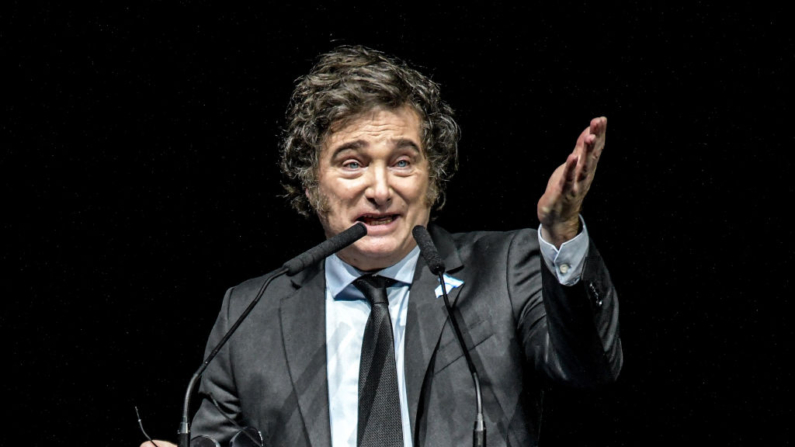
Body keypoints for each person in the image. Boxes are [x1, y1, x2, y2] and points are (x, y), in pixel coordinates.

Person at [142, 45, 622, 447]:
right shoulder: (252, 313)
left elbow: (590, 368)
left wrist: (562, 231)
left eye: (402, 162)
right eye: (352, 164)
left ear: (432, 182)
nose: (380, 188)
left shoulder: (505, 272)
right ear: (311, 186)